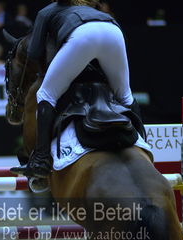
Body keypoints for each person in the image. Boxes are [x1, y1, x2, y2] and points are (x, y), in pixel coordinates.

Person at [12, 0, 138, 178]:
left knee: (46, 94)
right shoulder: (95, 9)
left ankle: (41, 159)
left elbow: (34, 53)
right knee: (125, 95)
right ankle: (144, 146)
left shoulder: (47, 11)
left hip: (83, 36)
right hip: (113, 30)